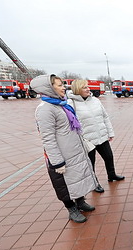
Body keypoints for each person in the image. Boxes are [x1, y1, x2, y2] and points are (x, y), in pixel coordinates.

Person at [32, 74, 97, 223]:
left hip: (73, 152)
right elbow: (47, 138)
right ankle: (71, 208)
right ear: (49, 88)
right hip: (61, 157)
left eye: (63, 84)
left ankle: (80, 202)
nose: (64, 87)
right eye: (60, 85)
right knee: (63, 184)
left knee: (77, 178)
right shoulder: (45, 109)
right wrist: (57, 162)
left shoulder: (61, 105)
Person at [67, 79, 124, 193]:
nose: (88, 89)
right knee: (90, 163)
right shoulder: (71, 104)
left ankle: (111, 175)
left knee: (109, 157)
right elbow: (70, 124)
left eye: (88, 87)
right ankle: (94, 183)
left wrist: (110, 132)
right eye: (85, 87)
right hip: (87, 140)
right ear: (77, 90)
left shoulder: (95, 100)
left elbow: (105, 117)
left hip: (101, 136)